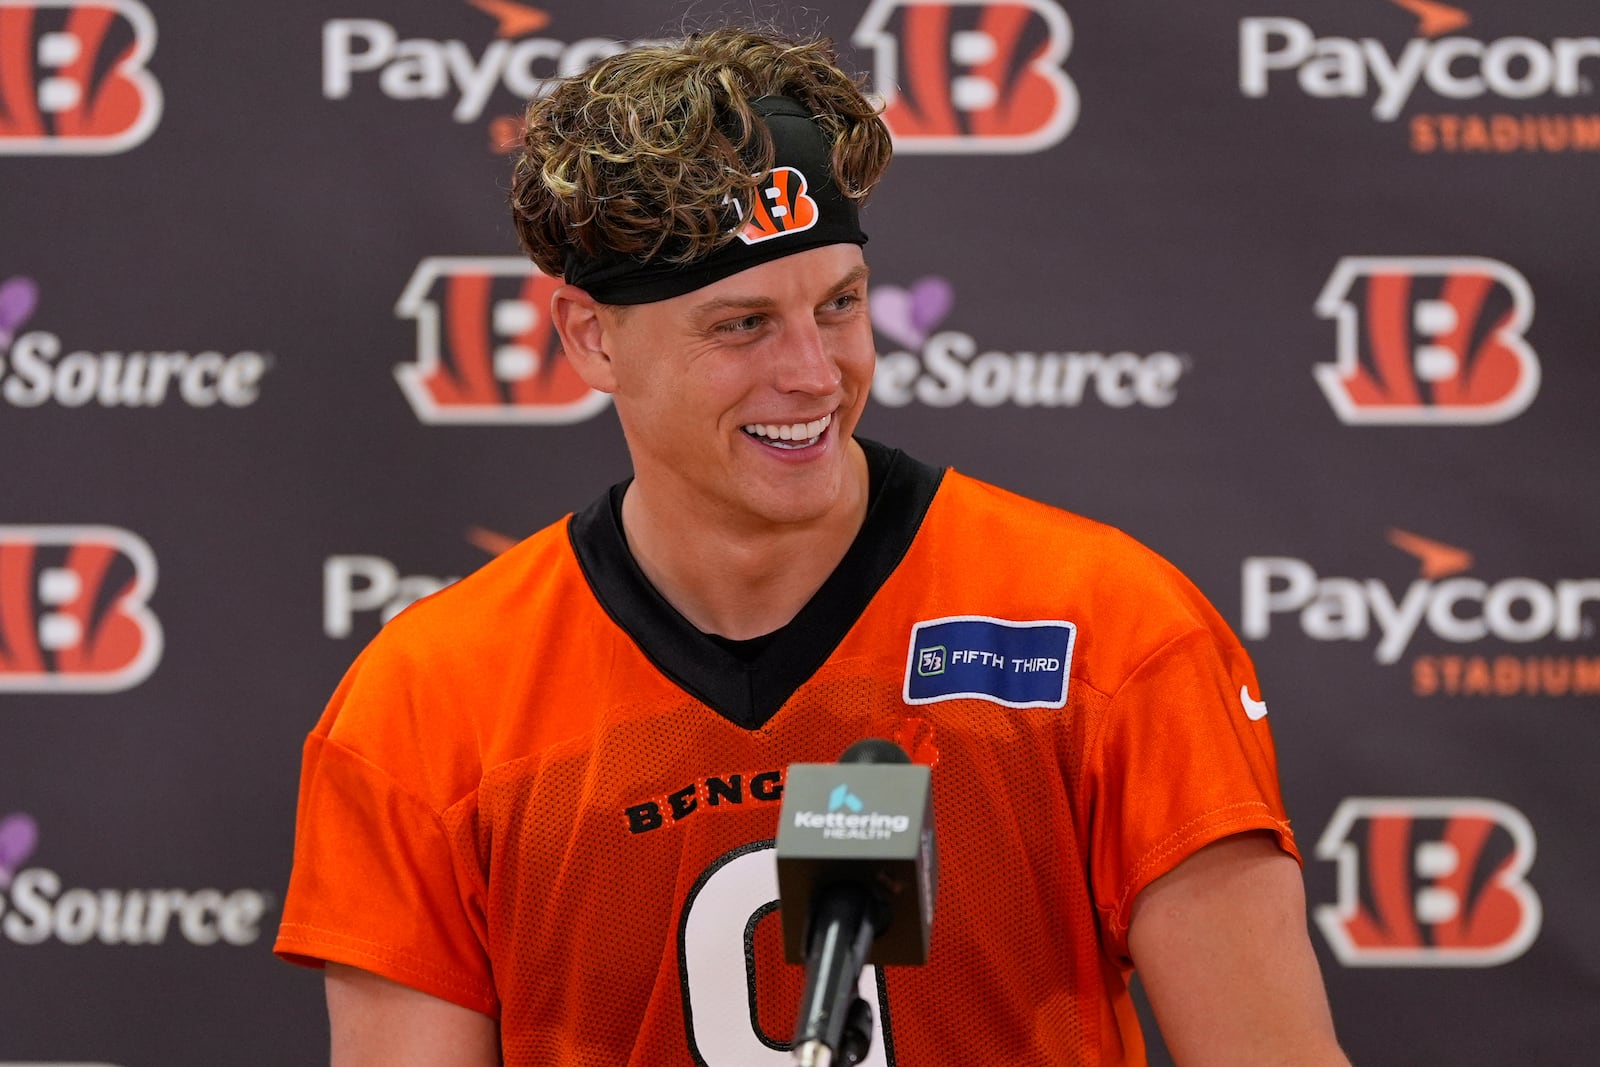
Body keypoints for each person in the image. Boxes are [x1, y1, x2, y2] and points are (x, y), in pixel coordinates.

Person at [276, 26, 1350, 1067]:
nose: (813, 372)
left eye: (838, 306)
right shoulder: (424, 705)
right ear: (591, 336)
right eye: (741, 324)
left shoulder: (1106, 630)